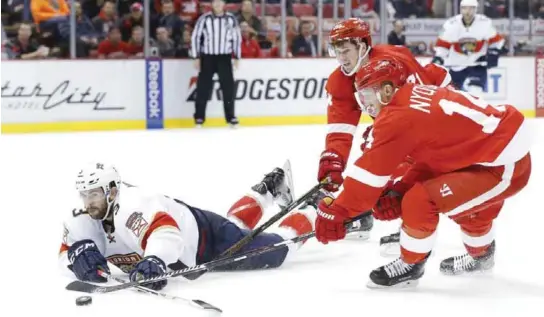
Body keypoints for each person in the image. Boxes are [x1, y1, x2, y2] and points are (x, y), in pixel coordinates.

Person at [314, 58, 532, 288]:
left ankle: (411, 265)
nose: (366, 105)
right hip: (488, 153)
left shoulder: (398, 116)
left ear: (387, 90)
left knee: (421, 200)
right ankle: (481, 257)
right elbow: (433, 156)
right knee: (466, 208)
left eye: (367, 96)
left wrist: (339, 211)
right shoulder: (412, 94)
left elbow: (368, 175)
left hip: (504, 166)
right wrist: (400, 187)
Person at [59, 161, 321, 291]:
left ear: (112, 191)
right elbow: (64, 252)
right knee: (234, 226)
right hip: (193, 229)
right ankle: (268, 189)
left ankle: (314, 206)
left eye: (94, 194)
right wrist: (77, 259)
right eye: (84, 194)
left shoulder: (132, 204)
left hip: (205, 238)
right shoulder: (84, 217)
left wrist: (155, 260)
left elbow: (166, 233)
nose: (88, 201)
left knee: (275, 251)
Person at [319, 18, 452, 241]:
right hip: (402, 124)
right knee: (373, 155)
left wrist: (397, 180)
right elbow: (340, 127)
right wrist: (334, 158)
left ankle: (416, 228)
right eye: (337, 51)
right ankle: (361, 215)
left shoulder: (393, 65)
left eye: (345, 50)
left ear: (362, 46)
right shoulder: (340, 80)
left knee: (403, 174)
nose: (341, 58)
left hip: (438, 117)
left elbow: (419, 118)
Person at [432, 0, 505, 96]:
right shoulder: (451, 24)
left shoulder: (484, 23)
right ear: (460, 9)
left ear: (476, 9)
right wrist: (439, 57)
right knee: (454, 97)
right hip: (456, 66)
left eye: (471, 8)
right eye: (465, 8)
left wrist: (494, 52)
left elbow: (497, 41)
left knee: (475, 93)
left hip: (477, 65)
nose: (468, 11)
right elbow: (442, 46)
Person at [191, 0, 241, 128]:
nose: (218, 5)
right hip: (208, 57)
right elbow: (196, 36)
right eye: (215, 2)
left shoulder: (231, 19)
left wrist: (237, 56)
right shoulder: (204, 18)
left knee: (228, 88)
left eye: (220, 2)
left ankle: (231, 117)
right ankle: (199, 117)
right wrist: (196, 56)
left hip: (224, 57)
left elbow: (236, 37)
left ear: (224, 4)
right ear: (212, 4)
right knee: (203, 87)